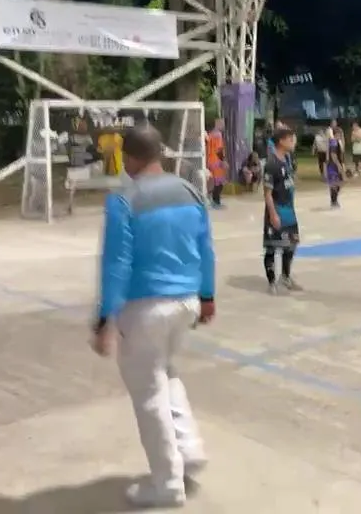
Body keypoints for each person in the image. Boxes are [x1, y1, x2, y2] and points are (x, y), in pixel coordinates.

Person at [90, 126, 215, 509]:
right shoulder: (190, 191)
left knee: (148, 394)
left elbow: (117, 264)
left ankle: (167, 483)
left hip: (146, 307)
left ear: (128, 158)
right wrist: (208, 295)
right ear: (159, 152)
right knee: (166, 372)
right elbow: (206, 248)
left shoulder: (123, 200)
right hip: (187, 302)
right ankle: (189, 449)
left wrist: (105, 318)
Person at [263, 127, 302, 294]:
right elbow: (267, 193)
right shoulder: (271, 164)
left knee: (291, 244)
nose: (293, 142)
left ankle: (285, 276)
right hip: (277, 209)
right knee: (272, 247)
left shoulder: (287, 159)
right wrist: (273, 214)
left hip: (289, 210)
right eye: (290, 139)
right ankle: (272, 281)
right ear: (281, 141)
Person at [205, 119, 227, 209]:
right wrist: (223, 161)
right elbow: (219, 150)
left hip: (209, 160)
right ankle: (216, 202)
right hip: (216, 161)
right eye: (222, 123)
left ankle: (214, 200)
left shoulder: (210, 134)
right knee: (219, 183)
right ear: (218, 124)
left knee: (213, 182)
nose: (224, 125)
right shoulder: (218, 134)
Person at [325, 126, 345, 208]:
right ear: (337, 134)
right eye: (341, 134)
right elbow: (333, 155)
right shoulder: (334, 142)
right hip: (333, 166)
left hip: (335, 165)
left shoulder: (336, 141)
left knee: (338, 183)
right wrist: (338, 165)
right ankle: (334, 201)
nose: (341, 135)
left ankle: (334, 200)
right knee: (335, 183)